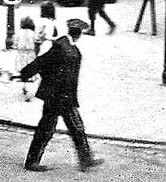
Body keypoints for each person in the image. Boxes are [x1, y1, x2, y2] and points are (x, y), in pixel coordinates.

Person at [17, 18, 103, 173]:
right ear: (78, 34)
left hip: (64, 96)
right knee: (49, 128)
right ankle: (32, 162)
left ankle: (85, 159)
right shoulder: (61, 46)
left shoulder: (68, 46)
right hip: (56, 95)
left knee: (74, 127)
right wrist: (25, 73)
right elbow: (42, 62)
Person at [14, 15, 38, 101]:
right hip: (30, 53)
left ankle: (24, 87)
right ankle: (29, 90)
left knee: (23, 72)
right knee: (31, 72)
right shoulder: (33, 33)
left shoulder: (18, 33)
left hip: (21, 53)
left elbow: (15, 44)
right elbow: (36, 42)